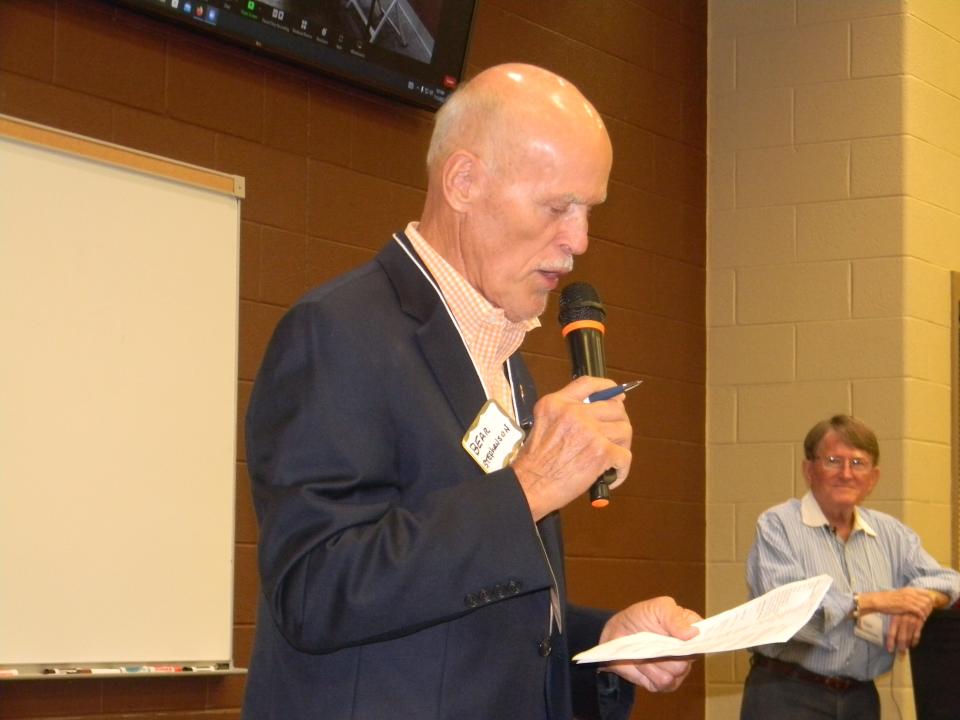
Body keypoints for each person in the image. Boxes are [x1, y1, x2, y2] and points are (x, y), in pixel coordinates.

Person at [241, 63, 701, 720]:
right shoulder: (337, 333)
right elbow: (316, 591)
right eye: (557, 207)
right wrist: (532, 485)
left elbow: (465, 609)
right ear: (463, 182)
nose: (579, 241)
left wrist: (601, 641)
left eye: (588, 212)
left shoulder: (504, 359)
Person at [740, 414, 960, 720]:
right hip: (787, 693)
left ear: (873, 478)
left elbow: (949, 581)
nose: (846, 473)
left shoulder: (891, 533)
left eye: (858, 463)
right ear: (809, 470)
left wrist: (920, 602)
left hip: (860, 699)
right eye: (833, 460)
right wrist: (873, 601)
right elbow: (787, 613)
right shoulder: (779, 525)